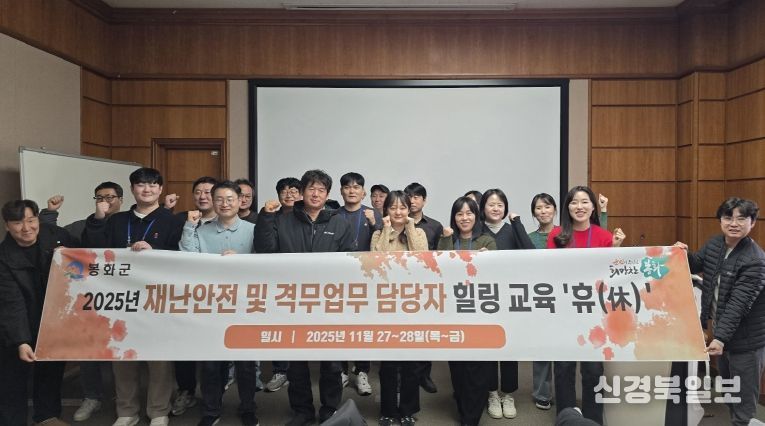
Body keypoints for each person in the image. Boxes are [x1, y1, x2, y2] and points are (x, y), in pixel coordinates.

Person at [83, 167, 184, 426]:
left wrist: (155, 250)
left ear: (160, 189)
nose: (146, 189)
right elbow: (93, 252)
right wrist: (99, 218)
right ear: (132, 189)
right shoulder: (117, 221)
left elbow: (182, 256)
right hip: (122, 297)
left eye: (152, 185)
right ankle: (127, 410)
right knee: (123, 355)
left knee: (158, 357)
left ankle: (158, 411)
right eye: (140, 184)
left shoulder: (173, 220)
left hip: (157, 297)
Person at [255, 169, 353, 426]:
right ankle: (302, 411)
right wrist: (266, 217)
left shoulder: (339, 222)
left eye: (321, 190)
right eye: (311, 188)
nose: (316, 194)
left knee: (332, 363)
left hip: (328, 301)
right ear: (302, 193)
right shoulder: (284, 220)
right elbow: (266, 250)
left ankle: (330, 409)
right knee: (296, 362)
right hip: (293, 301)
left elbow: (350, 261)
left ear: (327, 194)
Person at [38, 182, 125, 422]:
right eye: (100, 197)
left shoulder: (128, 224)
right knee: (87, 349)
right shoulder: (80, 226)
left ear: (121, 199)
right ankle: (92, 396)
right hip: (89, 297)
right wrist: (50, 214)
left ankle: (124, 400)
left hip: (124, 298)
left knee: (122, 349)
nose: (105, 201)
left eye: (110, 197)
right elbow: (51, 236)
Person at [676, 198, 765, 426]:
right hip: (723, 337)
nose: (734, 223)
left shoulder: (755, 260)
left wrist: (719, 337)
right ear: (721, 220)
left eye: (741, 218)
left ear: (752, 222)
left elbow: (738, 304)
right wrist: (682, 254)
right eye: (728, 217)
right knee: (729, 393)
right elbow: (696, 264)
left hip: (746, 341)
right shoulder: (716, 244)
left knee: (743, 401)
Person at [180, 181, 259, 426]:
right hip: (211, 305)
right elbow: (187, 258)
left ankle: (248, 408)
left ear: (240, 201)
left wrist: (243, 260)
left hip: (245, 304)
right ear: (213, 202)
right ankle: (211, 410)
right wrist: (189, 227)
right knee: (211, 363)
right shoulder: (201, 230)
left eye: (230, 199)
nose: (225, 204)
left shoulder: (254, 230)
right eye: (219, 199)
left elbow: (266, 262)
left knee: (246, 364)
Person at [547, 186, 621, 425]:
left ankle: (593, 420)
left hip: (594, 313)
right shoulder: (557, 235)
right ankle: (566, 418)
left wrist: (616, 248)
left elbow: (611, 273)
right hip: (564, 309)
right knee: (563, 367)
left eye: (584, 202)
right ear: (567, 207)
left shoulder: (604, 236)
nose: (579, 207)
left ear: (593, 207)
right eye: (574, 202)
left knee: (593, 370)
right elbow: (552, 271)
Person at [0, 200, 75, 426]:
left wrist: (69, 256)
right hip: (15, 326)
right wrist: (21, 340)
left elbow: (87, 257)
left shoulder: (55, 236)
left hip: (52, 321)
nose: (26, 228)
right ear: (6, 226)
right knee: (13, 381)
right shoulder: (3, 257)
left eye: (31, 220)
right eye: (17, 223)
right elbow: (11, 303)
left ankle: (47, 418)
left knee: (51, 374)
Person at [438, 196, 496, 426]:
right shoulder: (448, 239)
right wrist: (446, 239)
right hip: (453, 310)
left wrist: (484, 260)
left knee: (478, 367)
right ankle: (464, 408)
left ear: (476, 216)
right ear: (454, 217)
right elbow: (440, 268)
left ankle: (471, 417)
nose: (464, 218)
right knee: (458, 367)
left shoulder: (487, 241)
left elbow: (491, 273)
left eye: (469, 213)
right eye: (460, 213)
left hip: (479, 310)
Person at [371, 191, 428, 426]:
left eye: (402, 207)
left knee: (411, 364)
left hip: (412, 304)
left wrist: (410, 227)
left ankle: (407, 410)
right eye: (393, 207)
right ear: (386, 210)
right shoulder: (378, 233)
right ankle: (387, 410)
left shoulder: (419, 232)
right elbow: (376, 259)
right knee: (388, 364)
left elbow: (421, 257)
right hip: (387, 304)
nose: (398, 212)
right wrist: (387, 230)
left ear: (409, 209)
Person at [479, 189, 534, 420]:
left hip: (509, 297)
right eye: (491, 204)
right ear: (483, 207)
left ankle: (508, 394)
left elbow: (530, 253)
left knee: (509, 346)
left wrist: (517, 222)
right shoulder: (477, 230)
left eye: (500, 204)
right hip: (484, 298)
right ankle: (492, 393)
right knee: (489, 346)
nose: (495, 208)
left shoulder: (511, 230)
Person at [337, 172, 382, 396]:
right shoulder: (334, 215)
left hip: (366, 279)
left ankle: (362, 371)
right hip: (340, 279)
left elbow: (383, 244)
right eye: (347, 187)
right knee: (341, 325)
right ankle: (342, 371)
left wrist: (374, 224)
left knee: (364, 326)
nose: (352, 190)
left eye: (356, 187)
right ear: (341, 191)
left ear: (363, 192)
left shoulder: (374, 214)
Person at [403, 182, 443, 394]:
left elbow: (440, 256)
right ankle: (405, 374)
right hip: (402, 285)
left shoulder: (434, 226)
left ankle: (424, 375)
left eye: (417, 197)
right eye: (409, 196)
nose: (412, 200)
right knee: (405, 331)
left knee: (426, 331)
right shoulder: (396, 222)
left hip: (427, 284)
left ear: (424, 200)